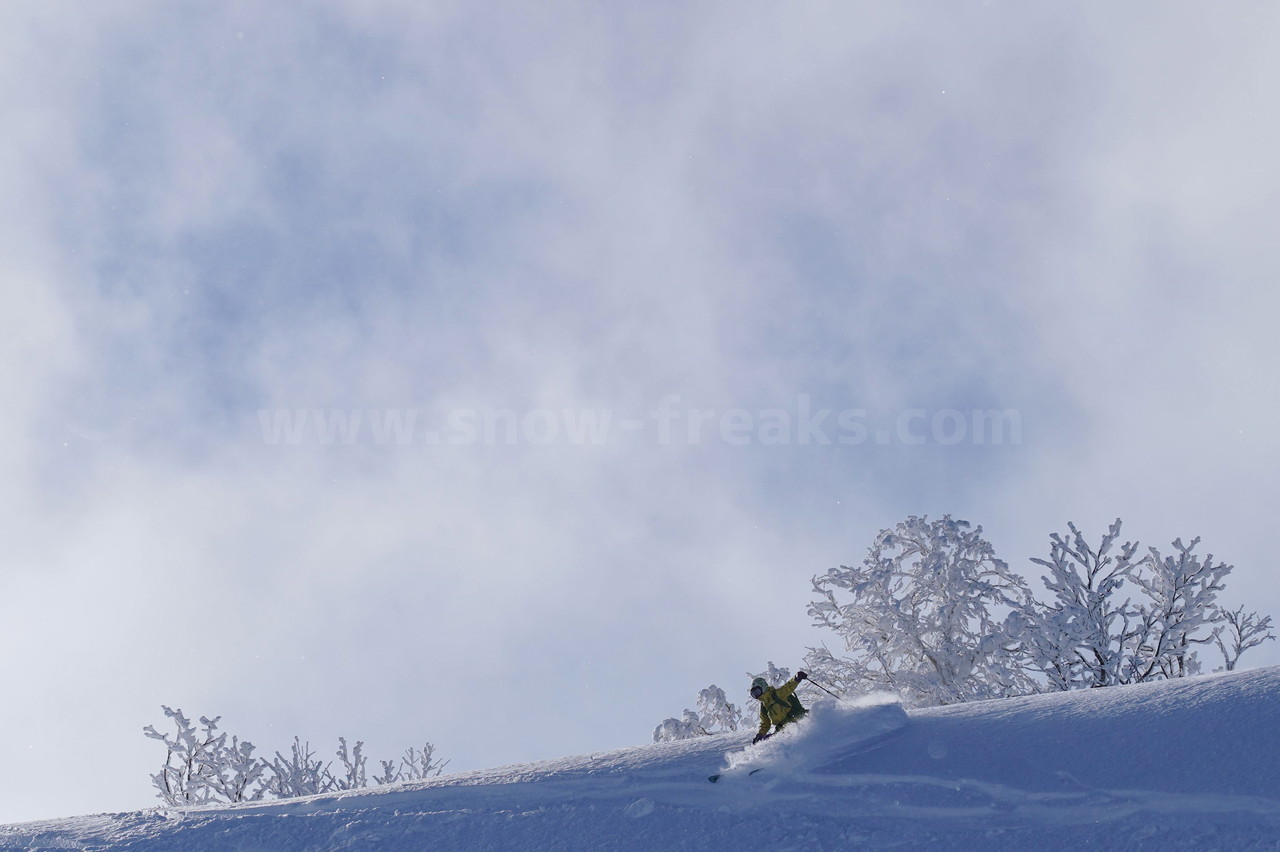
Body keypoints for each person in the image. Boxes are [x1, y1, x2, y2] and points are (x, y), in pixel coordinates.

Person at [750, 671, 808, 743]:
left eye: (757, 691)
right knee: (767, 740)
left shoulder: (777, 694)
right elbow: (765, 723)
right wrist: (760, 734)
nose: (757, 695)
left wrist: (796, 678)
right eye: (754, 694)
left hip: (794, 719)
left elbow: (788, 687)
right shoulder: (764, 707)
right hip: (783, 728)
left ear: (763, 687)